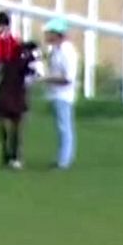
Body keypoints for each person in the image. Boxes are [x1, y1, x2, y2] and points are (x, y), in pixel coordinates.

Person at [42, 18, 79, 170]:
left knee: (64, 128)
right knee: (61, 127)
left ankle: (64, 161)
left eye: (48, 33)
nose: (45, 36)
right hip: (55, 94)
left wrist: (45, 79)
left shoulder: (67, 52)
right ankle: (61, 158)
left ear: (56, 35)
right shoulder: (55, 50)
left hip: (63, 95)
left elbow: (68, 78)